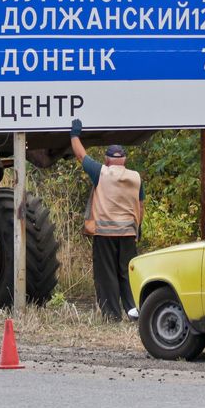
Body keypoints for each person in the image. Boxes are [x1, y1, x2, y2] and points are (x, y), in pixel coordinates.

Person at [70, 118, 142, 321]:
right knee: (127, 274)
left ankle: (112, 315)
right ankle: (133, 312)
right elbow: (140, 205)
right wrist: (138, 227)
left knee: (106, 275)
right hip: (128, 233)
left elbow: (80, 154)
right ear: (125, 160)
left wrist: (74, 134)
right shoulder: (136, 177)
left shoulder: (100, 172)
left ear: (107, 159)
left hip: (105, 234)